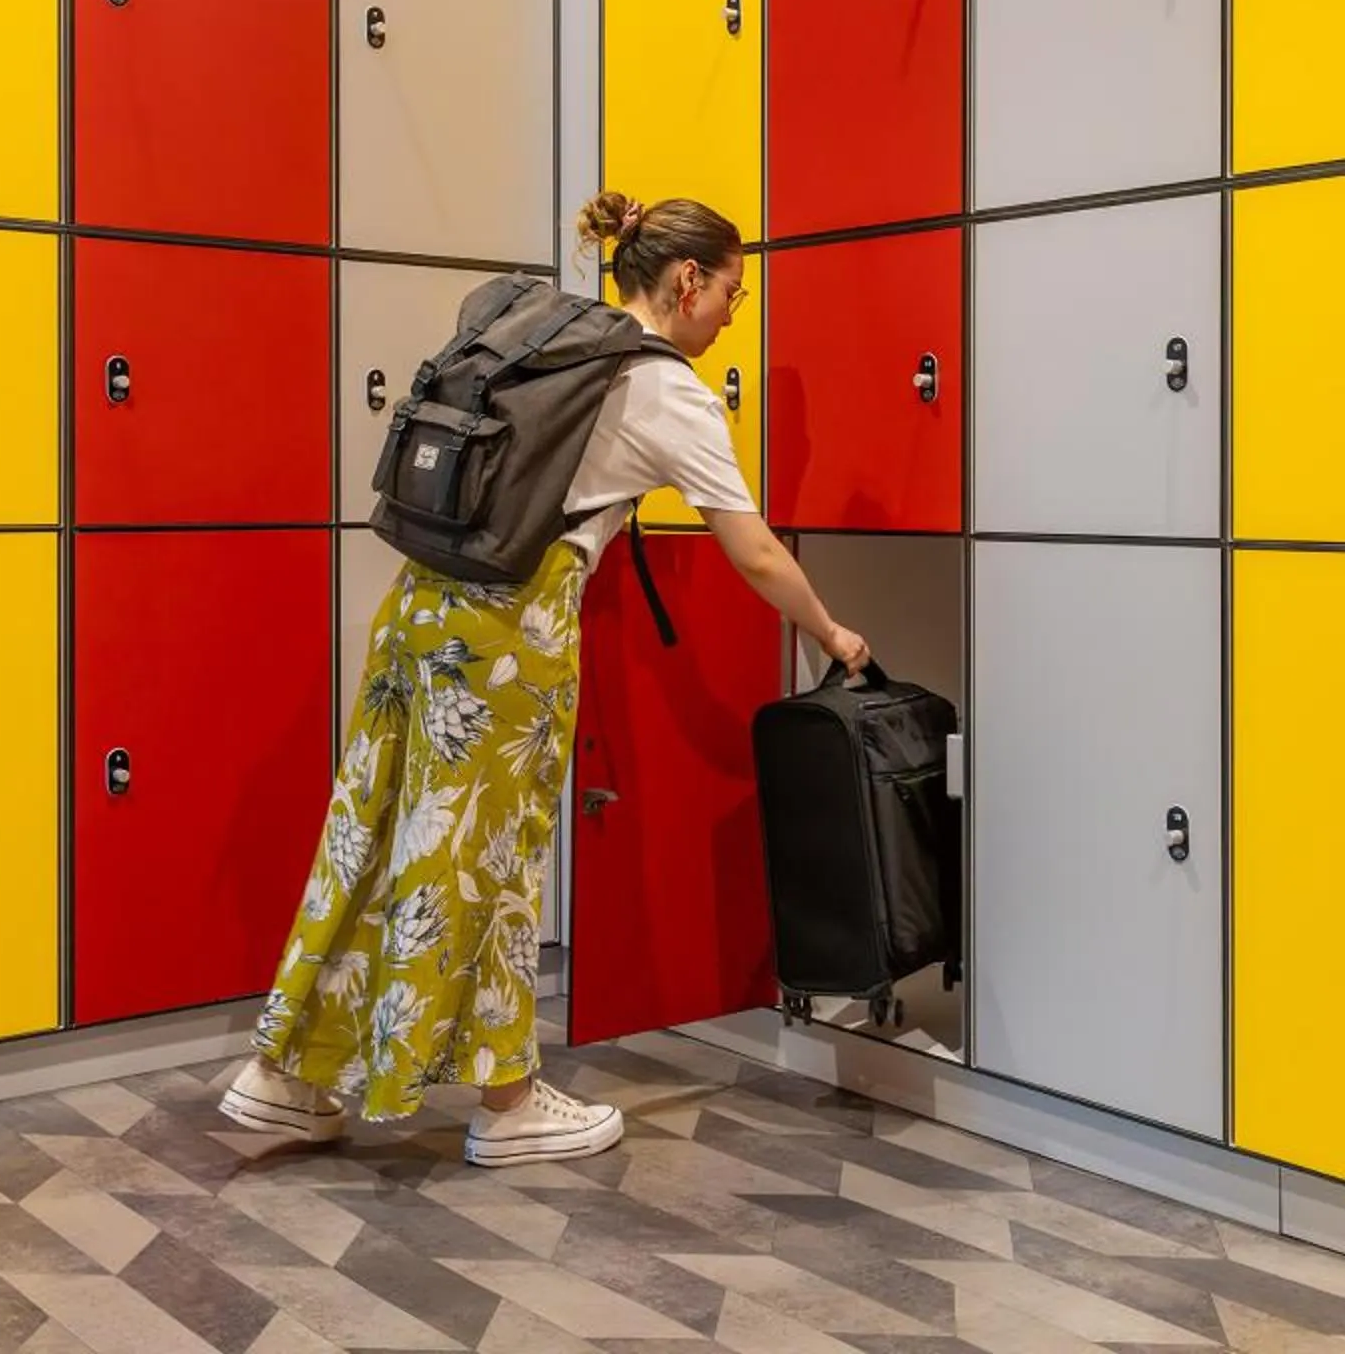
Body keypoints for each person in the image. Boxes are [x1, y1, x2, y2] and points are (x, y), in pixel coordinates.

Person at [219, 191, 870, 1167]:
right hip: (506, 636)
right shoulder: (665, 389)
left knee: (376, 827)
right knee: (487, 863)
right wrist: (831, 631)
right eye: (732, 290)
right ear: (686, 280)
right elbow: (758, 551)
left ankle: (287, 1074)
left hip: (418, 607)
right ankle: (510, 1101)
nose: (735, 313)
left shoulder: (558, 340)